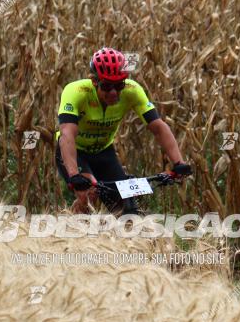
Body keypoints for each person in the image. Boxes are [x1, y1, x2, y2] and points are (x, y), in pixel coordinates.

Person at [54, 47, 192, 215]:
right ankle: (72, 230)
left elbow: (158, 127)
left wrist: (178, 163)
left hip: (104, 152)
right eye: (107, 86)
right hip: (75, 151)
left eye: (119, 85)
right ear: (94, 81)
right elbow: (67, 133)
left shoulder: (132, 90)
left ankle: (121, 239)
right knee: (88, 195)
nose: (113, 93)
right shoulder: (76, 92)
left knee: (127, 208)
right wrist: (75, 175)